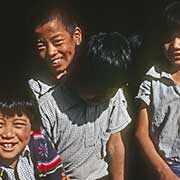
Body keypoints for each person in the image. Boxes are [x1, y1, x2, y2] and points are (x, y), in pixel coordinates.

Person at [29, 30, 132, 179]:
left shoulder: (114, 94)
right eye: (93, 90)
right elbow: (43, 161)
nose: (100, 98)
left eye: (107, 93)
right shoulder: (49, 105)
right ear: (80, 73)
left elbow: (115, 144)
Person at [135, 1, 180, 180]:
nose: (175, 45)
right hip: (164, 168)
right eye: (168, 39)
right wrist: (163, 172)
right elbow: (141, 133)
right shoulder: (152, 80)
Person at [0, 83, 68, 180]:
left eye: (18, 124)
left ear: (32, 127)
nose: (8, 134)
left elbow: (56, 176)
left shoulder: (39, 145)